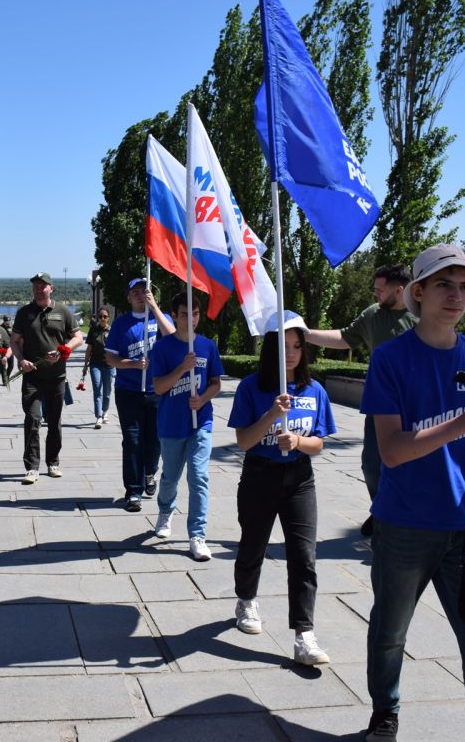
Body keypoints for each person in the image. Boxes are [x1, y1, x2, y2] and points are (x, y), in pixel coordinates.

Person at [360, 244, 465, 742]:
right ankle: (385, 711)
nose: (456, 295)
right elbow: (391, 451)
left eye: (464, 285)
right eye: (444, 284)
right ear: (420, 292)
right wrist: (462, 423)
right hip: (404, 525)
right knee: (390, 636)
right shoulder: (390, 359)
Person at [228, 310, 335, 668]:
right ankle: (246, 599)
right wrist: (271, 417)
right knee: (252, 545)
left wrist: (300, 441)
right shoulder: (251, 388)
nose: (291, 353)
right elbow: (244, 441)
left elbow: (320, 443)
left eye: (297, 346)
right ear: (270, 348)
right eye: (284, 346)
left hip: (300, 480)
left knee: (304, 556)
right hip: (260, 476)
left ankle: (304, 634)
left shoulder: (314, 390)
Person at [304, 263, 414, 535]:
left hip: (416, 406)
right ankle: (382, 511)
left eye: (380, 289)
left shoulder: (422, 316)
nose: (375, 294)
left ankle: (404, 519)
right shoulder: (373, 315)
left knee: (412, 465)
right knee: (372, 465)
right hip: (380, 406)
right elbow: (344, 337)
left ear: (399, 291)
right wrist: (305, 333)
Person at [149, 292, 223, 560]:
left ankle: (197, 534)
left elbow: (216, 383)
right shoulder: (162, 348)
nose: (190, 319)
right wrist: (182, 368)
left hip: (201, 422)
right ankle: (165, 512)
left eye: (195, 313)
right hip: (171, 424)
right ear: (174, 317)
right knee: (170, 477)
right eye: (184, 314)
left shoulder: (207, 346)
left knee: (199, 476)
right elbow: (158, 387)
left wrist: (203, 398)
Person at [105, 277, 174, 510]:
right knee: (133, 441)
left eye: (144, 290)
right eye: (135, 291)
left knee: (154, 440)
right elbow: (110, 357)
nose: (139, 294)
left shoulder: (160, 319)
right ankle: (133, 491)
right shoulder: (121, 324)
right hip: (128, 391)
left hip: (157, 390)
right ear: (128, 297)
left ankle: (149, 473)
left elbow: (175, 338)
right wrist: (132, 364)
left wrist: (154, 308)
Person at [10, 272, 83, 484]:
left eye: (43, 286)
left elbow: (77, 337)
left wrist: (64, 349)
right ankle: (31, 467)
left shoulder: (62, 311)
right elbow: (14, 341)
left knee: (54, 421)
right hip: (32, 376)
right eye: (35, 286)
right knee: (32, 419)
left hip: (57, 376)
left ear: (51, 288)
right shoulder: (24, 313)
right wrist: (21, 359)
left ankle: (53, 462)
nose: (38, 289)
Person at [80, 306, 113, 428]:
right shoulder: (93, 330)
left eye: (105, 316)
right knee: (97, 389)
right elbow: (89, 349)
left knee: (107, 392)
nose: (103, 318)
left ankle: (105, 412)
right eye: (100, 316)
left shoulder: (112, 331)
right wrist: (85, 365)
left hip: (109, 365)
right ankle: (98, 416)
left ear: (108, 318)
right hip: (95, 364)